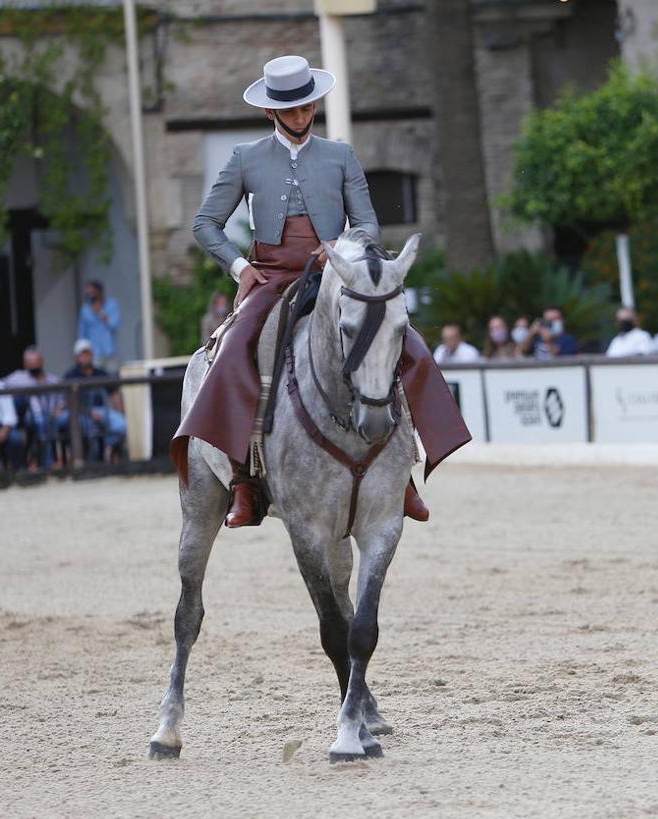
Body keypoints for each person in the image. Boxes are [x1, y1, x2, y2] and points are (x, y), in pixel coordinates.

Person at [172, 54, 468, 528]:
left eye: (307, 106)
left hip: (335, 274)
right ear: (271, 111)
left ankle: (403, 470)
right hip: (269, 276)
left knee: (403, 340)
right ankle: (245, 479)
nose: (301, 116)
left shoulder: (340, 155)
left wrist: (345, 250)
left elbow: (367, 220)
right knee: (234, 353)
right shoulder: (245, 158)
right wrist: (239, 267)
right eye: (290, 110)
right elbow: (206, 222)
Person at [63, 339, 127, 462]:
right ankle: (92, 461)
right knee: (90, 432)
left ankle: (110, 448)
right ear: (76, 357)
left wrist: (119, 411)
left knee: (121, 425)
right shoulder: (71, 375)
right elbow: (69, 402)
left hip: (102, 411)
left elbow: (114, 393)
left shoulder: (100, 372)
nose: (85, 357)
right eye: (82, 354)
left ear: (92, 354)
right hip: (81, 413)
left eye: (87, 353)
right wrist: (88, 412)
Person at [3, 346, 66, 469]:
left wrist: (60, 407)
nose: (34, 366)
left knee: (69, 419)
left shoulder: (53, 380)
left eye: (36, 362)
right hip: (30, 418)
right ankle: (48, 464)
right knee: (41, 422)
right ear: (25, 364)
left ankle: (81, 461)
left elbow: (63, 399)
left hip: (54, 416)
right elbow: (0, 386)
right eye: (30, 363)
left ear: (42, 362)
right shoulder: (17, 378)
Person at [78, 280, 122, 373]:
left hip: (110, 351)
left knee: (112, 379)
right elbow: (82, 334)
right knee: (97, 379)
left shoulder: (112, 305)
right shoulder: (85, 309)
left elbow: (115, 325)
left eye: (92, 293)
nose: (90, 296)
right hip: (94, 353)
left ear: (99, 292)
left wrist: (100, 313)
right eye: (88, 293)